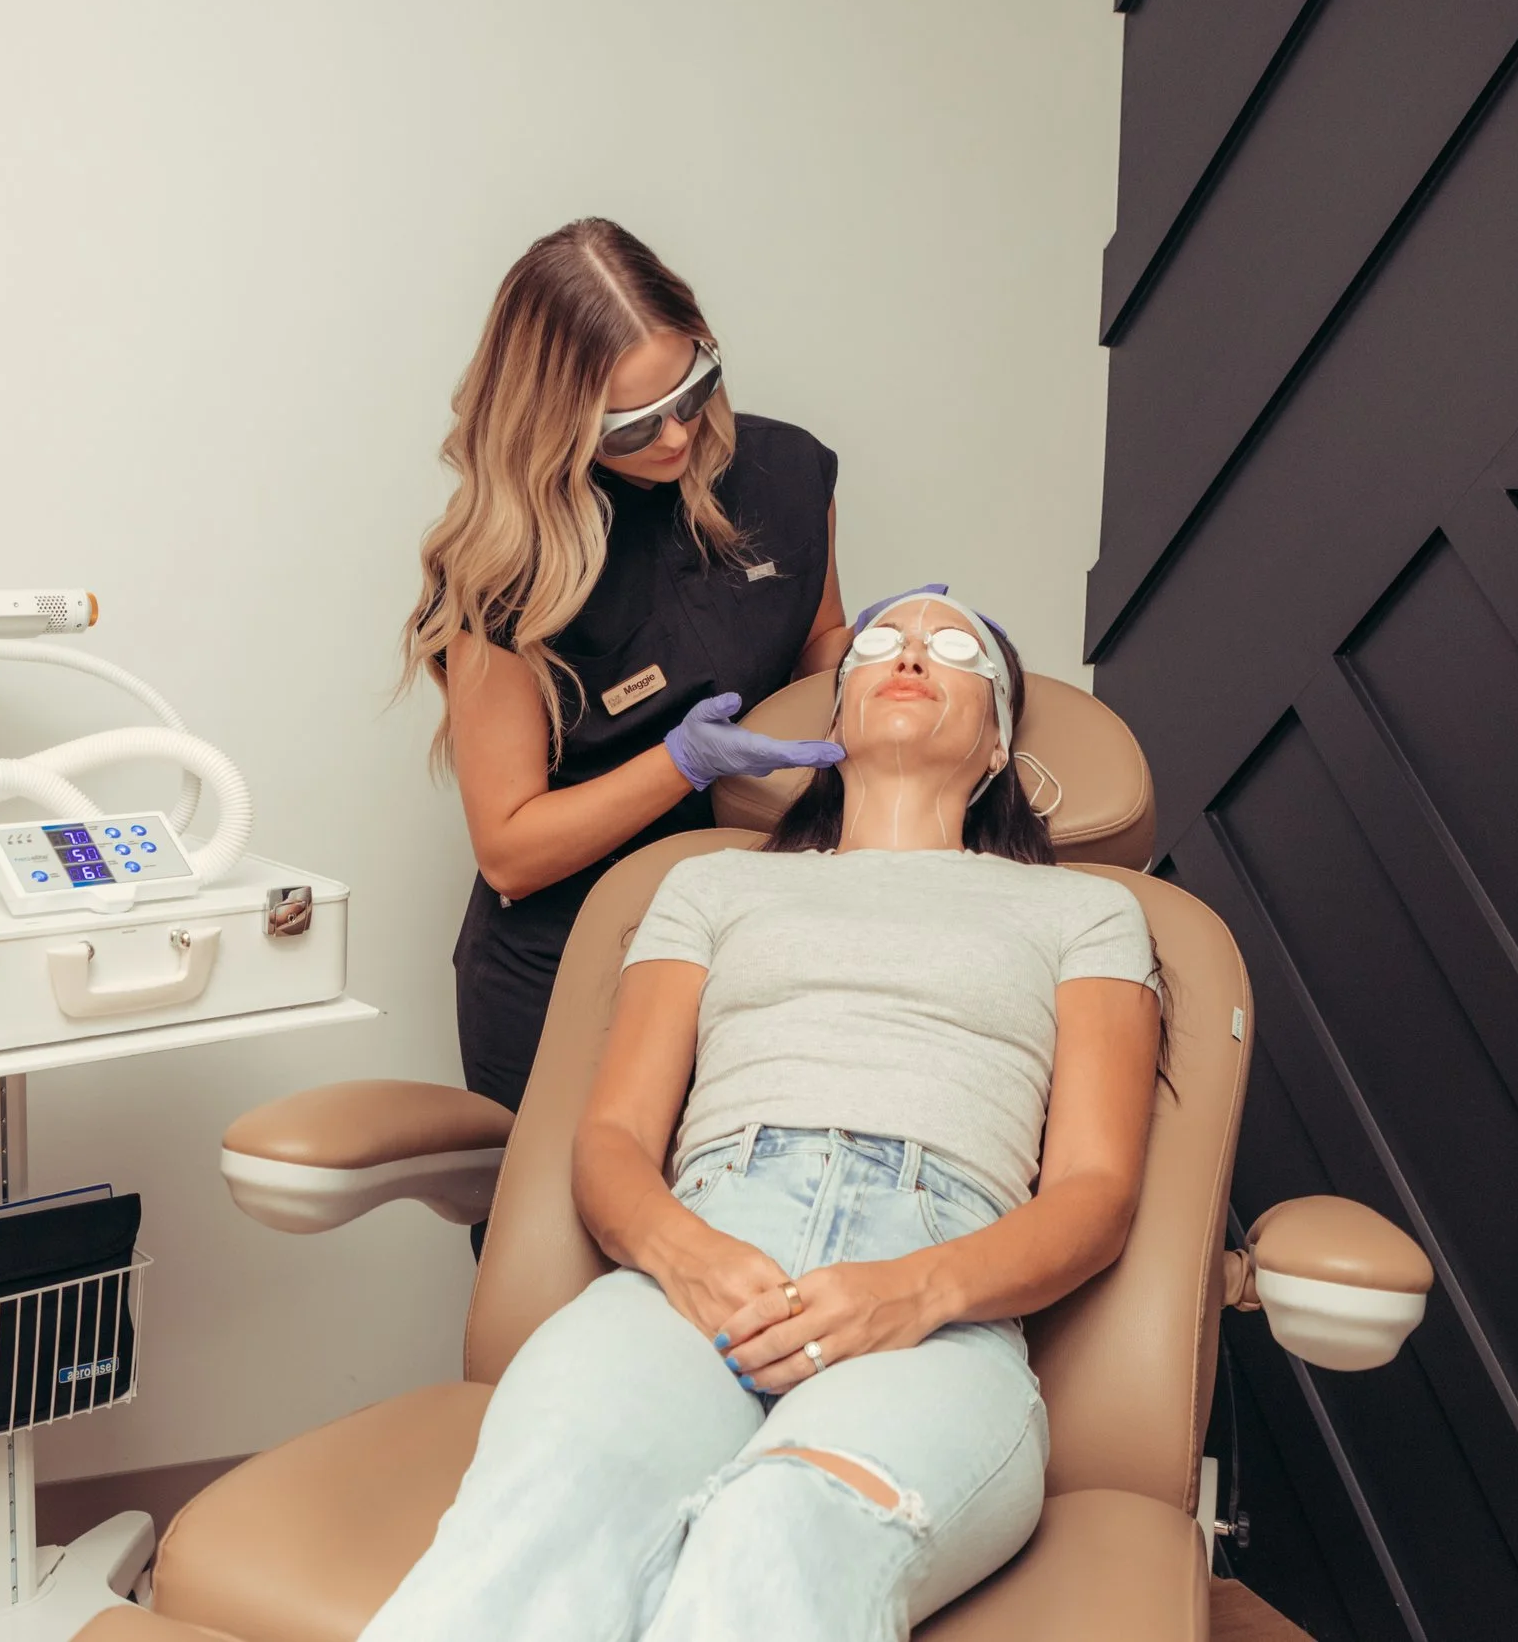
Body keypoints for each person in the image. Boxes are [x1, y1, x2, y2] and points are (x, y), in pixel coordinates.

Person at [363, 594, 1165, 1642]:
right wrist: (684, 1254)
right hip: (701, 1254)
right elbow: (613, 1138)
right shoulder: (710, 887)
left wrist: (914, 1290)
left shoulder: (1087, 913)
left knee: (777, 1539)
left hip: (939, 1294)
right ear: (834, 718)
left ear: (999, 744)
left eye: (953, 648)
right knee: (546, 1516)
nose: (909, 654)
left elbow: (1095, 1192)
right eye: (879, 643)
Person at [403, 219, 936, 1177]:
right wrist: (681, 764)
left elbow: (814, 643)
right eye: (634, 426)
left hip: (751, 935)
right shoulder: (503, 569)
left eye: (692, 391)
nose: (680, 435)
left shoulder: (786, 474)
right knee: (566, 1240)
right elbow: (510, 850)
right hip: (572, 962)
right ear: (555, 421)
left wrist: (872, 655)